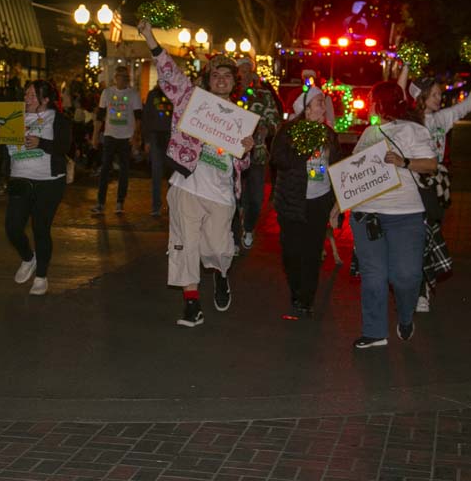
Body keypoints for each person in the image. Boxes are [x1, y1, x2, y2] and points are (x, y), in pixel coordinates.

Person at [138, 20, 253, 328]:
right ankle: (191, 304)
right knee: (184, 244)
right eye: (216, 75)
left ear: (234, 83)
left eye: (227, 76)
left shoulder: (242, 119)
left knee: (218, 248)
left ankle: (221, 274)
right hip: (187, 185)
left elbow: (242, 166)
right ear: (208, 79)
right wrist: (150, 38)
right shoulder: (190, 101)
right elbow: (169, 74)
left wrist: (247, 150)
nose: (221, 80)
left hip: (221, 194)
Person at [349, 82, 437, 348]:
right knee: (373, 276)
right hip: (366, 214)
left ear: (380, 103)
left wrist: (403, 162)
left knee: (406, 276)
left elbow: (431, 165)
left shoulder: (413, 130)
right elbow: (352, 175)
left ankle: (406, 315)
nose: (368, 106)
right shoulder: (369, 133)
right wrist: (337, 207)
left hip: (405, 215)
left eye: (371, 100)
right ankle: (375, 332)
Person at [403, 65, 471, 312]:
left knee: (429, 237)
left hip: (437, 187)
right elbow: (398, 90)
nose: (440, 98)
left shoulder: (441, 119)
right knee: (418, 238)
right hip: (413, 186)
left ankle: (423, 287)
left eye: (440, 94)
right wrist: (406, 65)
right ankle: (420, 291)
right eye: (435, 94)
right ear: (421, 97)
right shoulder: (408, 122)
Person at [270, 88, 338, 318]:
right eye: (319, 102)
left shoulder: (329, 134)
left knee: (312, 252)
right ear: (306, 109)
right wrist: (304, 146)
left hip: (319, 201)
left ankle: (306, 299)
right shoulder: (288, 131)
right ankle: (296, 289)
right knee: (291, 252)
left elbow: (336, 166)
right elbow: (278, 159)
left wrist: (337, 202)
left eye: (323, 102)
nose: (323, 106)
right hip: (292, 200)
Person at [5, 79, 72, 295]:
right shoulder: (15, 116)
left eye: (33, 96)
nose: (27, 99)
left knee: (41, 228)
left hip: (49, 182)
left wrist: (41, 143)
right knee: (13, 227)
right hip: (19, 179)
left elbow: (65, 146)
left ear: (46, 99)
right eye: (26, 94)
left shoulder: (57, 119)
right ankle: (28, 258)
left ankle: (41, 276)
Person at [234, 57, 280, 250]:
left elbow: (275, 120)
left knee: (255, 198)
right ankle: (233, 236)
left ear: (252, 73)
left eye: (247, 71)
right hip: (232, 155)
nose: (243, 75)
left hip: (256, 155)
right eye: (240, 72)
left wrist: (265, 129)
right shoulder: (230, 94)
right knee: (233, 198)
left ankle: (248, 228)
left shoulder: (263, 94)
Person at [91, 65, 142, 214]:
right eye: (120, 76)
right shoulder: (107, 93)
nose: (123, 79)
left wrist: (135, 136)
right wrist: (95, 136)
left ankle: (120, 202)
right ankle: (100, 203)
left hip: (126, 137)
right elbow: (100, 116)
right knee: (105, 168)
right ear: (115, 78)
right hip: (110, 135)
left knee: (124, 170)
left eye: (125, 77)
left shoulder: (133, 94)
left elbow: (138, 118)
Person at [142, 84, 173, 218]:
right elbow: (146, 117)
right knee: (156, 173)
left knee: (172, 175)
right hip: (155, 135)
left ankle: (172, 206)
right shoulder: (152, 94)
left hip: (171, 136)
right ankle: (156, 206)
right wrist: (147, 140)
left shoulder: (175, 93)